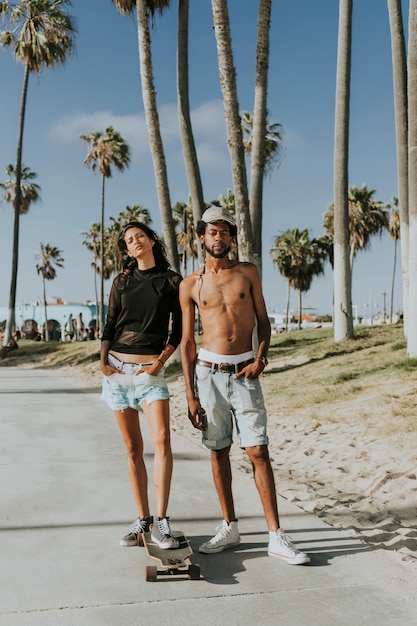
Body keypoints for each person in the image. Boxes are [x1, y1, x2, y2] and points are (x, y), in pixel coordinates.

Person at [179, 206, 310, 565]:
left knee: (258, 452)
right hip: (208, 375)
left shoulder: (247, 273)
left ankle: (276, 536)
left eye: (224, 232)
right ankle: (229, 526)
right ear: (202, 237)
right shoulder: (190, 285)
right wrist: (190, 394)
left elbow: (264, 323)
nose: (219, 238)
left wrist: (261, 359)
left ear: (230, 237)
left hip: (244, 373)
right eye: (212, 232)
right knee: (218, 450)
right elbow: (187, 342)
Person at [100, 221, 183, 550]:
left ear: (151, 240)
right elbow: (109, 323)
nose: (135, 242)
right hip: (117, 371)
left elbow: (176, 332)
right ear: (128, 248)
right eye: (129, 240)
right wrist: (103, 361)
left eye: (140, 237)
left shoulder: (171, 281)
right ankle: (143, 519)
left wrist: (159, 363)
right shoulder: (122, 281)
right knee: (133, 449)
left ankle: (162, 522)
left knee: (162, 440)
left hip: (150, 373)